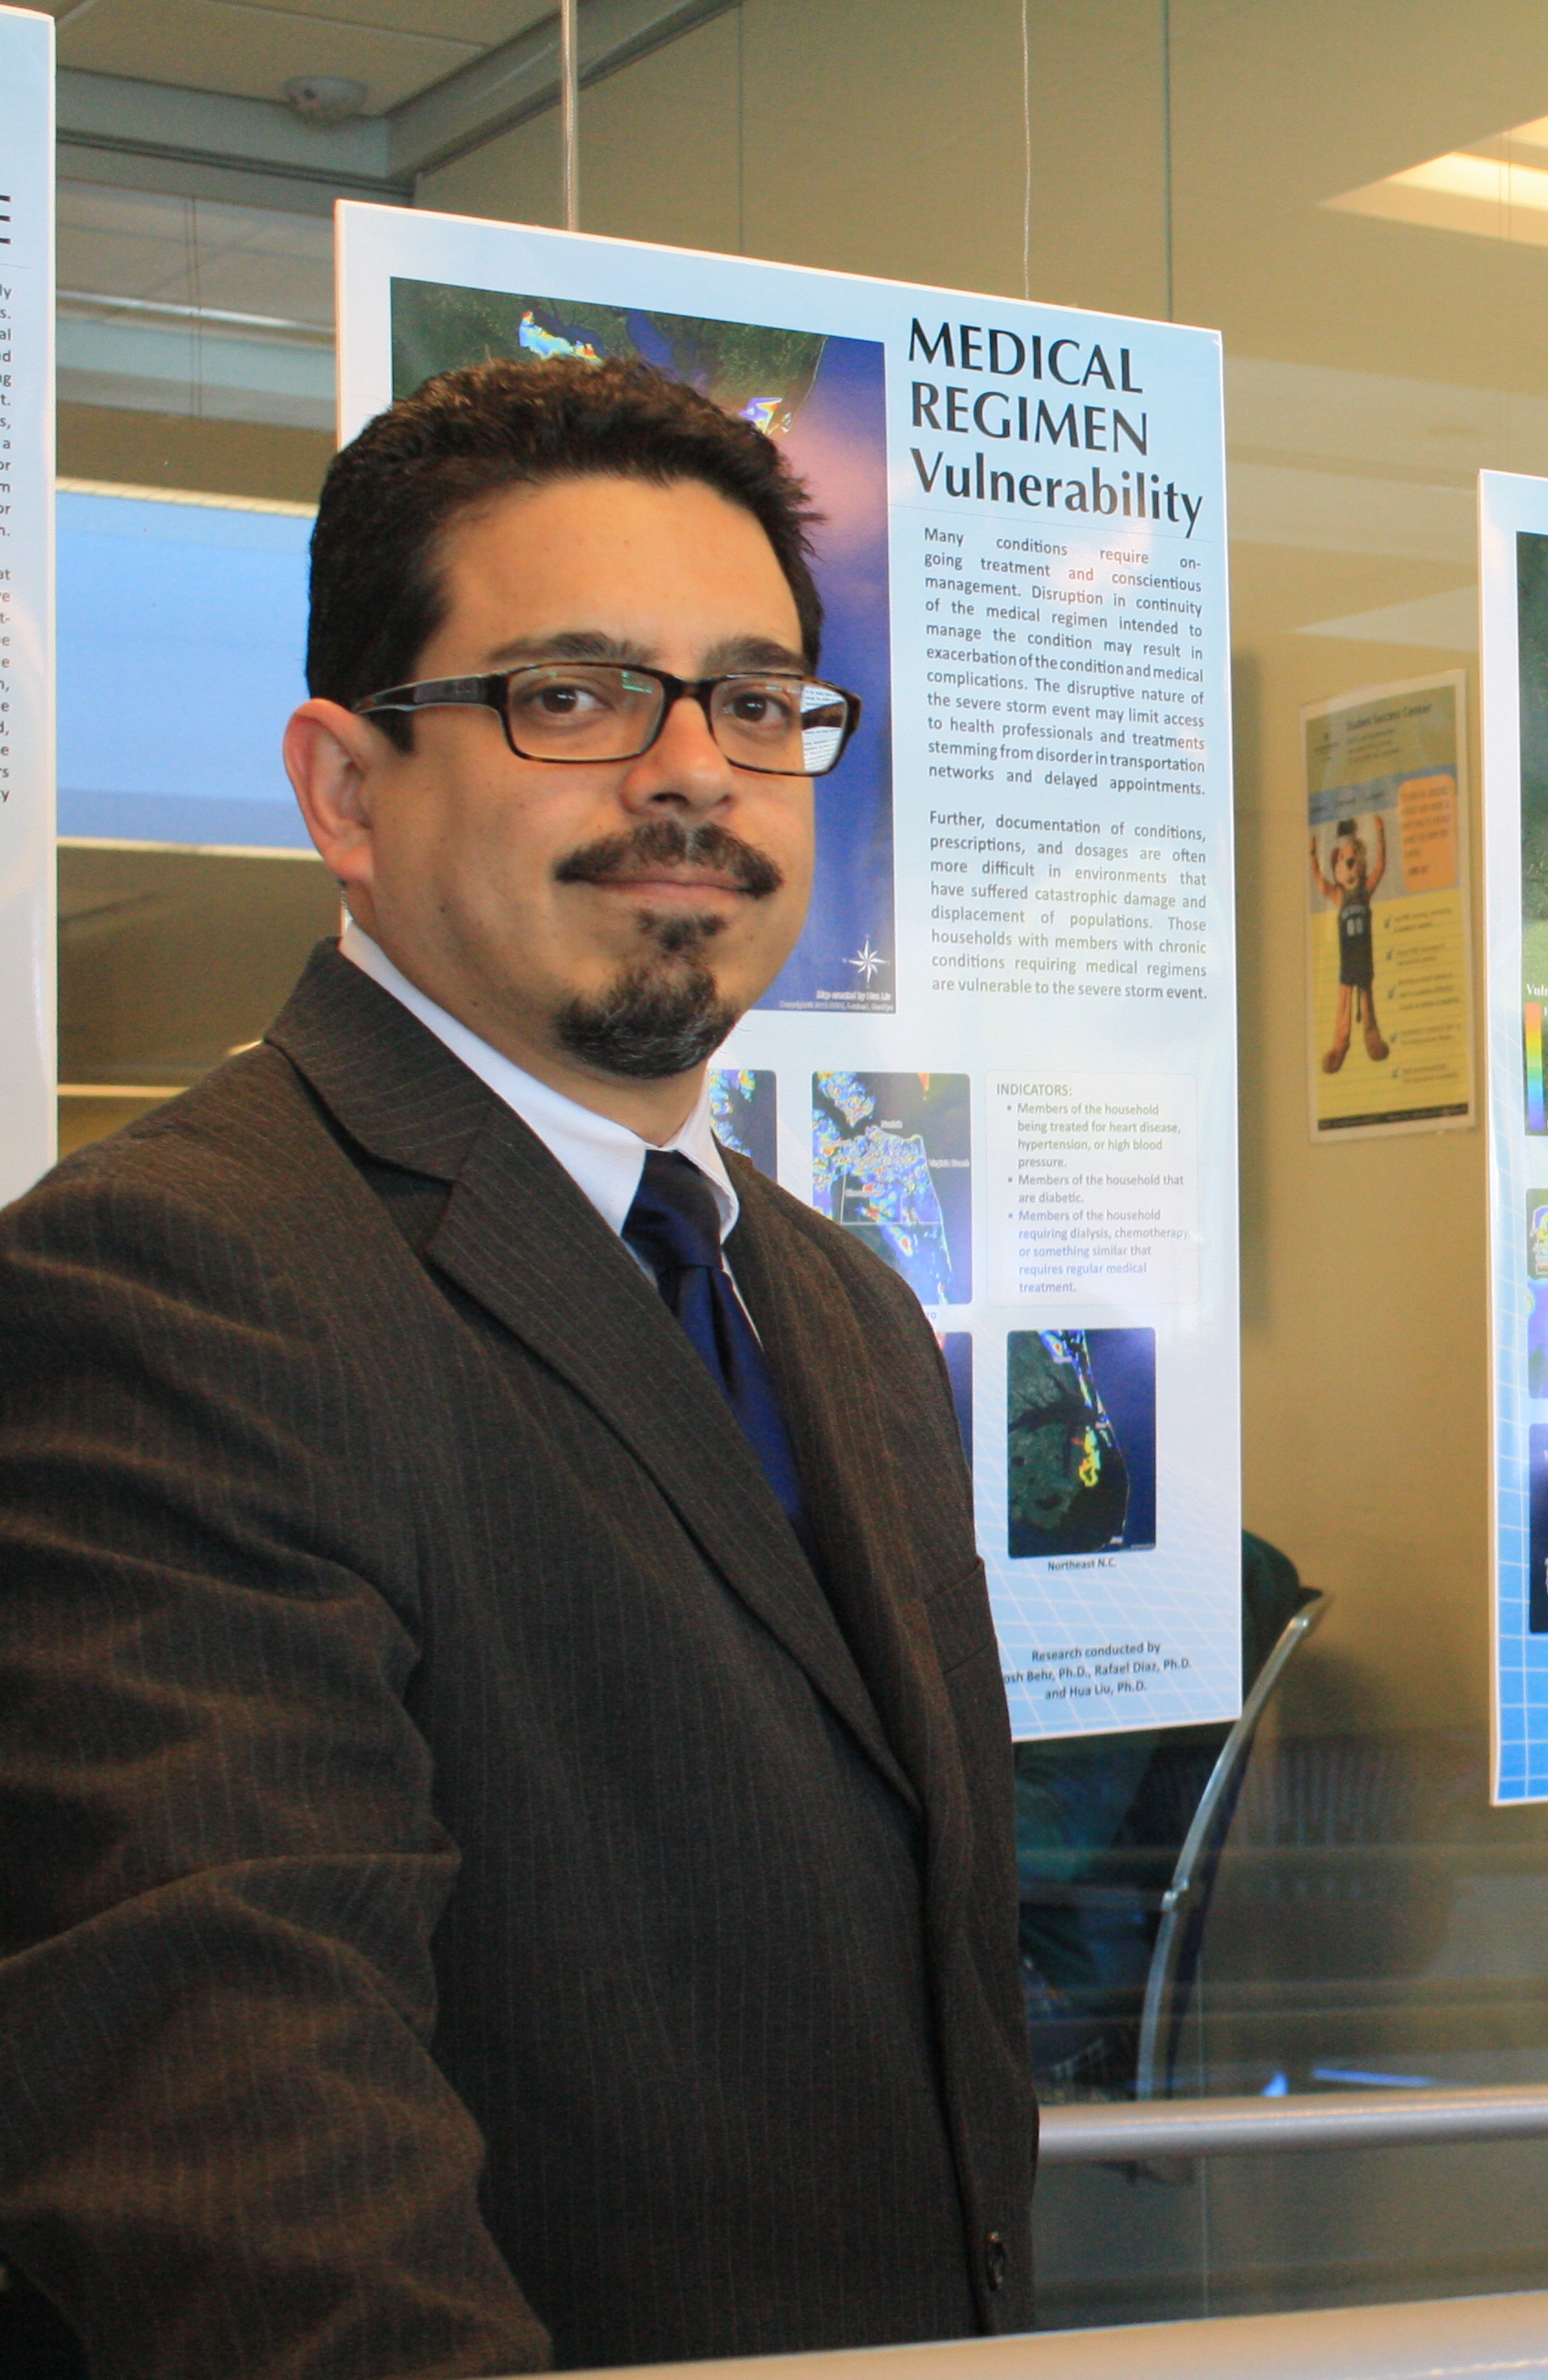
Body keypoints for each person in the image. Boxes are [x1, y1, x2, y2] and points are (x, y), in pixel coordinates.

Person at [0, 357, 1031, 2376]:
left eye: (757, 703)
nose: (693, 775)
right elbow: (249, 2178)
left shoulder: (840, 1307)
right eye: (573, 695)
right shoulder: (172, 1286)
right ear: (345, 790)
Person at [1314, 815, 1389, 1072]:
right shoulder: (1339, 896)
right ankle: (1340, 1045)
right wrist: (1312, 857)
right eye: (1343, 859)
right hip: (1347, 963)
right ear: (1336, 866)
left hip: (1364, 959)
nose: (1349, 864)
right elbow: (1321, 883)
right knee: (1344, 1004)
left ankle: (1372, 1038)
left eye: (1354, 857)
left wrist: (1381, 835)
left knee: (1367, 1001)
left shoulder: (1365, 892)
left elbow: (1381, 867)